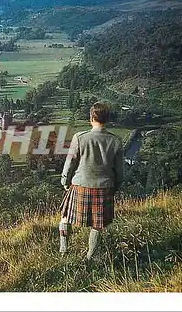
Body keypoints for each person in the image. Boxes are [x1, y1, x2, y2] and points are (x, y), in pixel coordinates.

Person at [59, 102, 124, 260]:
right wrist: (115, 187)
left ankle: (63, 250)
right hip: (105, 187)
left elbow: (70, 163)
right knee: (98, 224)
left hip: (81, 185)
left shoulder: (80, 138)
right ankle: (90, 256)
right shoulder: (115, 141)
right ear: (106, 119)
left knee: (65, 216)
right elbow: (120, 171)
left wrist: (65, 181)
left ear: (91, 117)